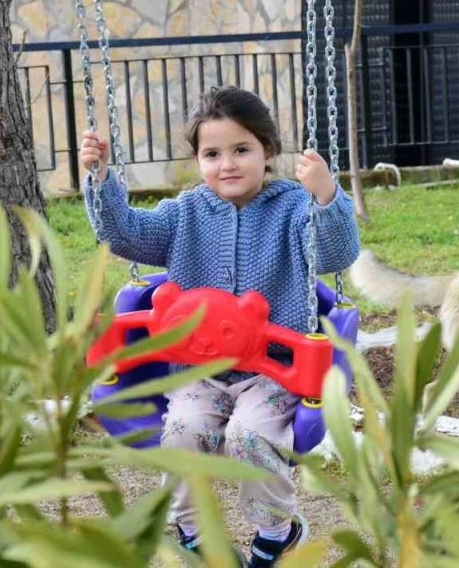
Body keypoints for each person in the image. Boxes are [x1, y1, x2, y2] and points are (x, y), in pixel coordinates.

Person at [80, 85, 360, 566]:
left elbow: (336, 255)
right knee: (183, 432)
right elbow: (121, 233)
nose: (226, 164)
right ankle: (193, 531)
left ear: (268, 152)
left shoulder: (293, 209)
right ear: (197, 158)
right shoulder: (183, 213)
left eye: (241, 150)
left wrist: (326, 194)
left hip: (274, 372)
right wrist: (100, 177)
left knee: (249, 435)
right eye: (212, 153)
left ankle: (276, 532)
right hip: (198, 371)